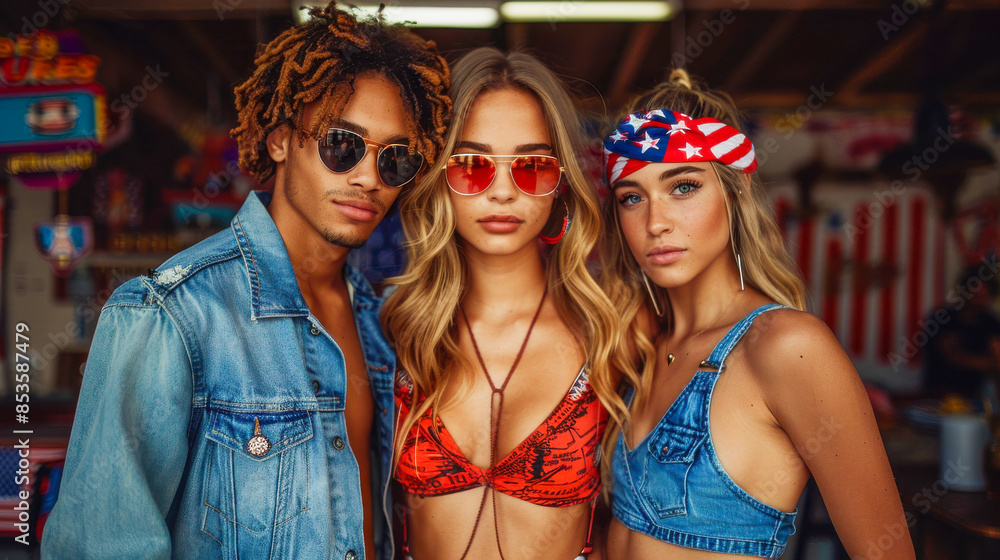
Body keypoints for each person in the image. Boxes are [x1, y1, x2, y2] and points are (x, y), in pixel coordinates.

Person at [42, 4, 450, 559]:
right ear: (281, 140)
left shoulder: (380, 323)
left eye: (395, 160)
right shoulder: (170, 315)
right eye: (342, 144)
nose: (367, 178)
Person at [600, 70, 915, 560]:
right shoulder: (641, 344)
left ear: (735, 193)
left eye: (683, 186)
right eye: (632, 197)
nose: (655, 222)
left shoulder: (785, 345)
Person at [381, 48, 633, 560]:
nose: (501, 191)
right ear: (438, 179)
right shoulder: (390, 333)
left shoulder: (613, 332)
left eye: (532, 166)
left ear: (561, 183)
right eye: (472, 164)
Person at [923, 264, 1000, 400]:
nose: (980, 295)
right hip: (938, 394)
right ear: (964, 291)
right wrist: (987, 364)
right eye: (976, 291)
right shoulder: (944, 317)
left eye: (984, 292)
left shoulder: (990, 322)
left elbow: (996, 353)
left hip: (974, 396)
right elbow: (951, 354)